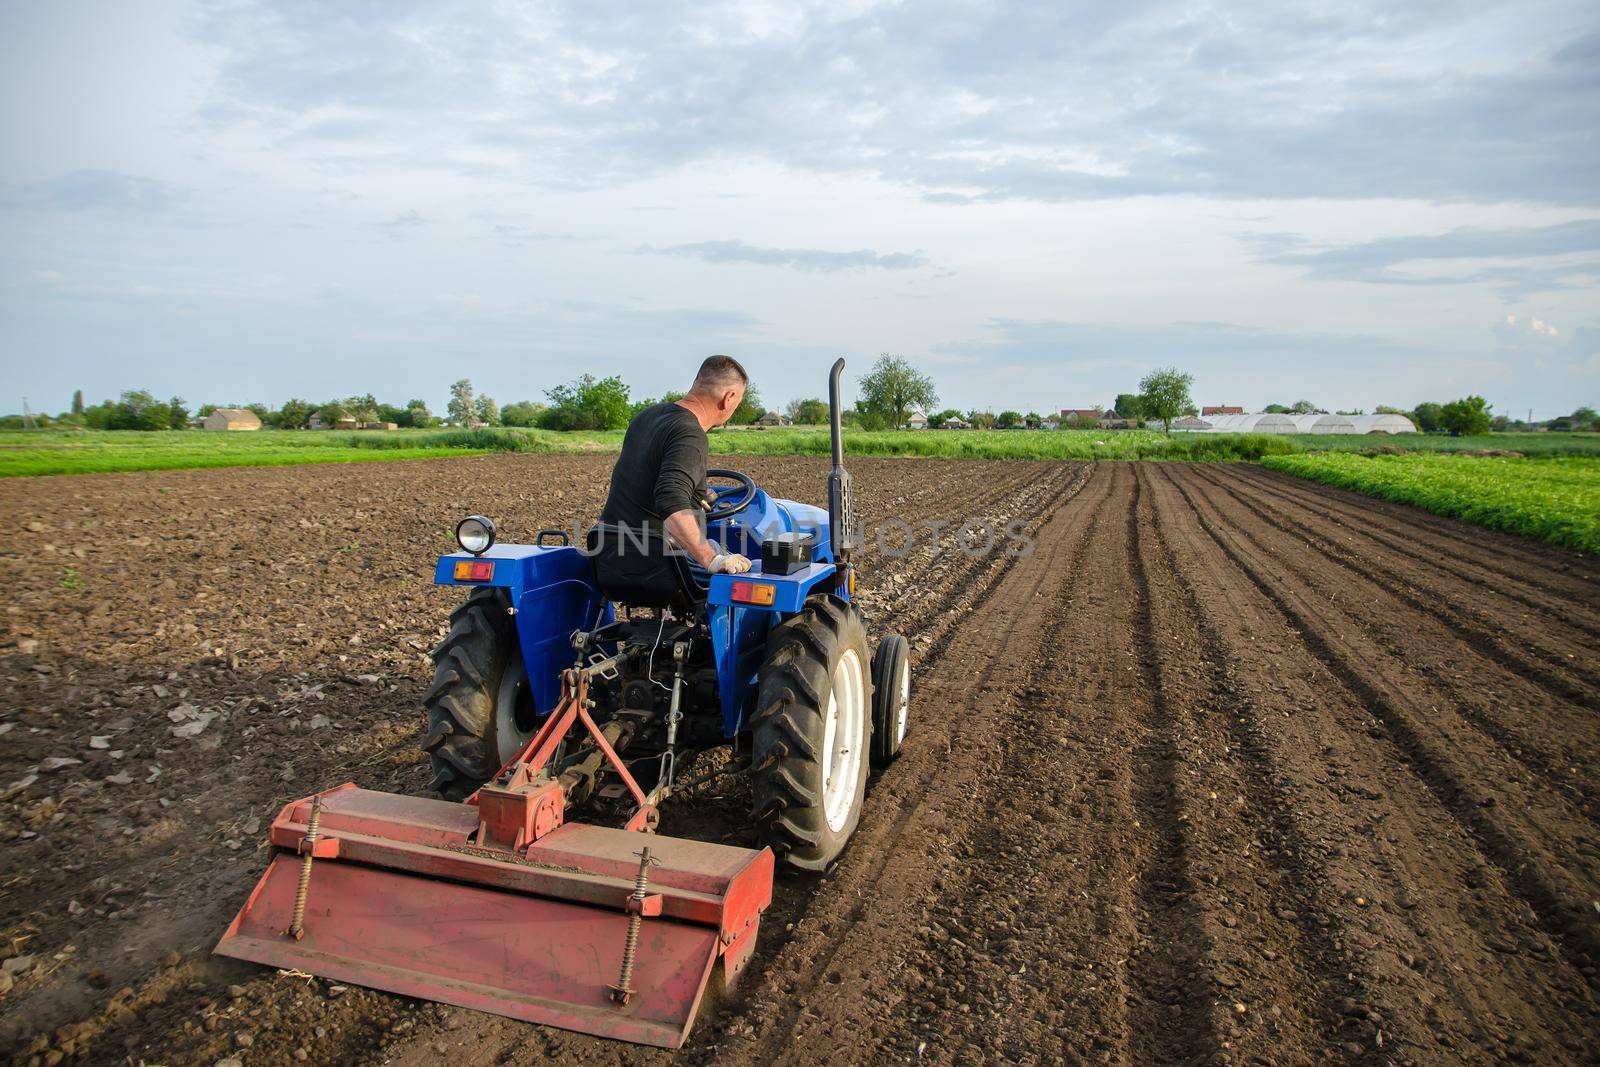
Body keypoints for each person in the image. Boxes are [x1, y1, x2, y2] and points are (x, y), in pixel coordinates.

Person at [590, 356, 753, 606]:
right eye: (737, 403)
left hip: (611, 554)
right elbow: (670, 501)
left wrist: (692, 496)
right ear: (729, 398)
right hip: (661, 561)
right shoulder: (690, 433)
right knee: (752, 569)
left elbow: (645, 479)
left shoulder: (646, 417)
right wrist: (712, 559)